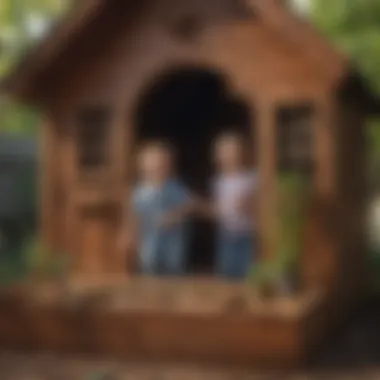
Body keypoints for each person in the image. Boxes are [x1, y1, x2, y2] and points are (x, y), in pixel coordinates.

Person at [120, 140, 195, 275]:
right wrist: (129, 235)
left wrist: (174, 215)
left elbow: (189, 205)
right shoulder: (138, 192)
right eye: (152, 166)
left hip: (172, 240)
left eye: (161, 166)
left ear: (169, 166)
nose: (157, 170)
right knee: (149, 266)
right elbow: (133, 215)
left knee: (173, 267)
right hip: (148, 239)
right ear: (142, 167)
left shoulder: (175, 187)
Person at [202, 131, 257, 279]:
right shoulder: (218, 181)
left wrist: (250, 204)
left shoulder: (251, 177)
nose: (230, 157)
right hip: (226, 232)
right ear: (217, 156)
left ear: (242, 152)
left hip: (247, 232)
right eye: (225, 153)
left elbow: (260, 203)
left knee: (247, 269)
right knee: (226, 269)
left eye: (233, 152)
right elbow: (218, 208)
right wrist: (206, 209)